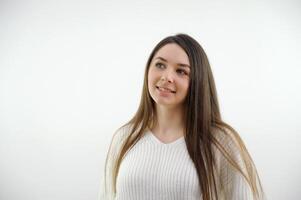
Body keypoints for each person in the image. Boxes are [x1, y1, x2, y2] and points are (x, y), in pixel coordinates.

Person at [99, 33, 265, 200]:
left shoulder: (220, 142)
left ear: (198, 81)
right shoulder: (125, 137)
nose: (167, 77)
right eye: (160, 65)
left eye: (181, 71)